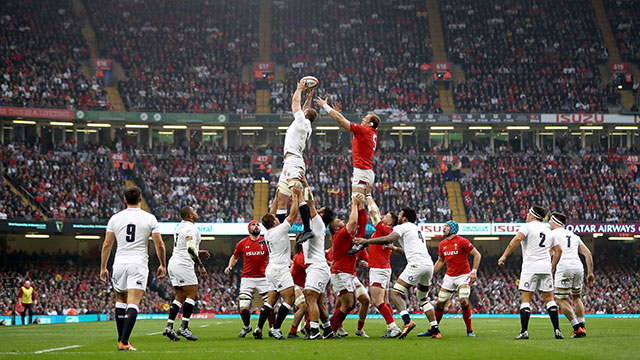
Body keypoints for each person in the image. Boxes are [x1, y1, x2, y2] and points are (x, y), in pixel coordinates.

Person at [100, 186, 167, 351]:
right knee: (133, 303)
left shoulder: (115, 219)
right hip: (138, 264)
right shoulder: (149, 218)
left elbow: (107, 244)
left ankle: (121, 340)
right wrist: (162, 264)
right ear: (140, 199)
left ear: (124, 200)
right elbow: (159, 244)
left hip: (119, 264)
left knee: (120, 301)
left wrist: (103, 267)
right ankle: (124, 341)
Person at [355, 207, 438, 340]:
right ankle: (435, 329)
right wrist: (393, 248)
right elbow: (407, 250)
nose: (398, 216)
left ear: (404, 218)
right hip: (428, 264)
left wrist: (366, 242)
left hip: (415, 264)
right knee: (423, 299)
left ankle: (406, 322)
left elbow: (388, 238)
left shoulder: (401, 227)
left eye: (400, 214)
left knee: (395, 294)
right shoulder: (417, 229)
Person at [498, 205, 563, 340]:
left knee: (526, 299)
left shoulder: (527, 226)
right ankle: (557, 329)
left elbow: (516, 240)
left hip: (530, 267)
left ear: (533, 215)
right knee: (550, 299)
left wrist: (504, 255)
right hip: (545, 267)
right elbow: (559, 250)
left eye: (528, 213)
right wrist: (552, 266)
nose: (526, 215)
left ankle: (524, 331)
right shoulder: (548, 231)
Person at [254, 186, 302, 340]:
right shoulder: (279, 230)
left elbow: (271, 213)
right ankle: (276, 329)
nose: (277, 218)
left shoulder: (267, 232)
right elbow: (293, 214)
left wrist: (276, 197)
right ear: (274, 223)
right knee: (290, 299)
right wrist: (294, 196)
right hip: (281, 269)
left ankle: (258, 329)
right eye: (275, 219)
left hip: (271, 269)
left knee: (270, 301)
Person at [419, 220, 481, 337]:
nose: (443, 228)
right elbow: (441, 261)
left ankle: (469, 330)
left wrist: (474, 272)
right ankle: (434, 329)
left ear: (452, 229)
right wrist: (430, 273)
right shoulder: (442, 244)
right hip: (449, 277)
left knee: (463, 299)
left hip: (464, 276)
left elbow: (477, 254)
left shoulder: (462, 241)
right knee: (440, 303)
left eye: (446, 227)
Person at [276, 80, 317, 244]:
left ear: (305, 115)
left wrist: (299, 89)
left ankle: (307, 228)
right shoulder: (305, 123)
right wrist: (310, 97)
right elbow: (305, 109)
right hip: (289, 163)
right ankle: (280, 231)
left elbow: (295, 104)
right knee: (282, 198)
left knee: (297, 193)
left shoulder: (301, 121)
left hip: (294, 161)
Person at [316, 97, 380, 196]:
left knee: (356, 201)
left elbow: (341, 120)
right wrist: (337, 113)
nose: (363, 119)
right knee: (361, 201)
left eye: (366, 118)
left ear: (370, 124)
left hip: (362, 170)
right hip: (366, 171)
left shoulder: (365, 130)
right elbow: (341, 120)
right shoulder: (370, 132)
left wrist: (325, 105)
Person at [163, 206, 210, 342]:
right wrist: (201, 266)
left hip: (174, 263)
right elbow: (189, 248)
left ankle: (169, 326)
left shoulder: (180, 227)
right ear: (190, 215)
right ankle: (184, 327)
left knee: (180, 296)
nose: (196, 212)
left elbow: (184, 246)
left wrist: (198, 251)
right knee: (192, 295)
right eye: (194, 211)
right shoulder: (191, 228)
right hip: (183, 264)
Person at [326, 194, 368, 337]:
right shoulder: (340, 235)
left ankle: (330, 325)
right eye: (339, 221)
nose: (342, 220)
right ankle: (330, 328)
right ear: (336, 228)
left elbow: (360, 224)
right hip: (341, 272)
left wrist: (361, 208)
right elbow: (353, 222)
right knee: (348, 304)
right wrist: (354, 204)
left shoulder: (347, 237)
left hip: (347, 273)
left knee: (350, 303)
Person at [298, 174, 334, 339]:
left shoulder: (318, 222)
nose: (316, 210)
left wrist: (305, 184)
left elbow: (310, 202)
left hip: (316, 266)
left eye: (319, 211)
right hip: (317, 266)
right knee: (318, 301)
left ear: (322, 215)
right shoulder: (315, 224)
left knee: (310, 298)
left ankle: (314, 331)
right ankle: (327, 330)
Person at [549, 212, 594, 338]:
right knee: (577, 297)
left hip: (564, 267)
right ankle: (583, 327)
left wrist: (551, 268)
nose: (548, 223)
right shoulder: (574, 236)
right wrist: (590, 273)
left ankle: (576, 328)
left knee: (561, 299)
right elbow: (588, 254)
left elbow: (550, 252)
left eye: (550, 221)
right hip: (578, 267)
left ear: (555, 221)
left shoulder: (552, 234)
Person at [363, 191, 401, 338]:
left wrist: (368, 196)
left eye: (386, 216)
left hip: (379, 270)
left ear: (390, 222)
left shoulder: (384, 229)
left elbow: (374, 214)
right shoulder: (384, 231)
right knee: (384, 301)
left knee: (377, 302)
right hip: (380, 267)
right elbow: (377, 212)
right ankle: (391, 328)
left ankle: (393, 327)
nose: (382, 216)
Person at [225, 221, 272, 338]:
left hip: (264, 278)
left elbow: (275, 254)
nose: (256, 226)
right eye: (253, 225)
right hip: (247, 279)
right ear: (249, 228)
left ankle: (272, 329)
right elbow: (235, 257)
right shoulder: (242, 243)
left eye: (258, 225)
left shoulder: (265, 241)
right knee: (244, 308)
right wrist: (230, 266)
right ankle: (247, 326)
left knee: (271, 307)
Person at [288, 242, 308, 339]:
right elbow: (309, 267)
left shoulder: (305, 255)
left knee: (310, 305)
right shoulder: (300, 256)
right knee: (303, 306)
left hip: (304, 285)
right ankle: (292, 332)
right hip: (295, 285)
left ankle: (307, 327)